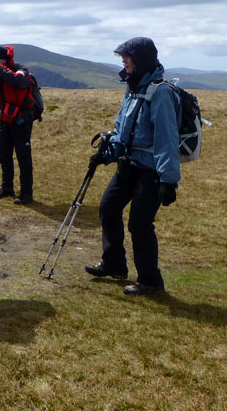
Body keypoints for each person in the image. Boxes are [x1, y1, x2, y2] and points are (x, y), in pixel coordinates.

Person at [85, 37, 181, 295]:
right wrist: (108, 153)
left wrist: (168, 181)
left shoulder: (160, 92)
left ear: (140, 60)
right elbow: (122, 129)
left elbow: (166, 139)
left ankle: (151, 281)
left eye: (127, 57)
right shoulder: (132, 88)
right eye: (123, 58)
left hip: (151, 170)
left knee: (139, 224)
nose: (124, 62)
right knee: (108, 207)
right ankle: (114, 264)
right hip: (129, 164)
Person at [0, 45, 36, 205]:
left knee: (23, 158)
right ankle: (7, 188)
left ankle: (26, 193)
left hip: (22, 121)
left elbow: (20, 82)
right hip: (5, 120)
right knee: (4, 154)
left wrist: (1, 69)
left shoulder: (20, 69)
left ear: (3, 59)